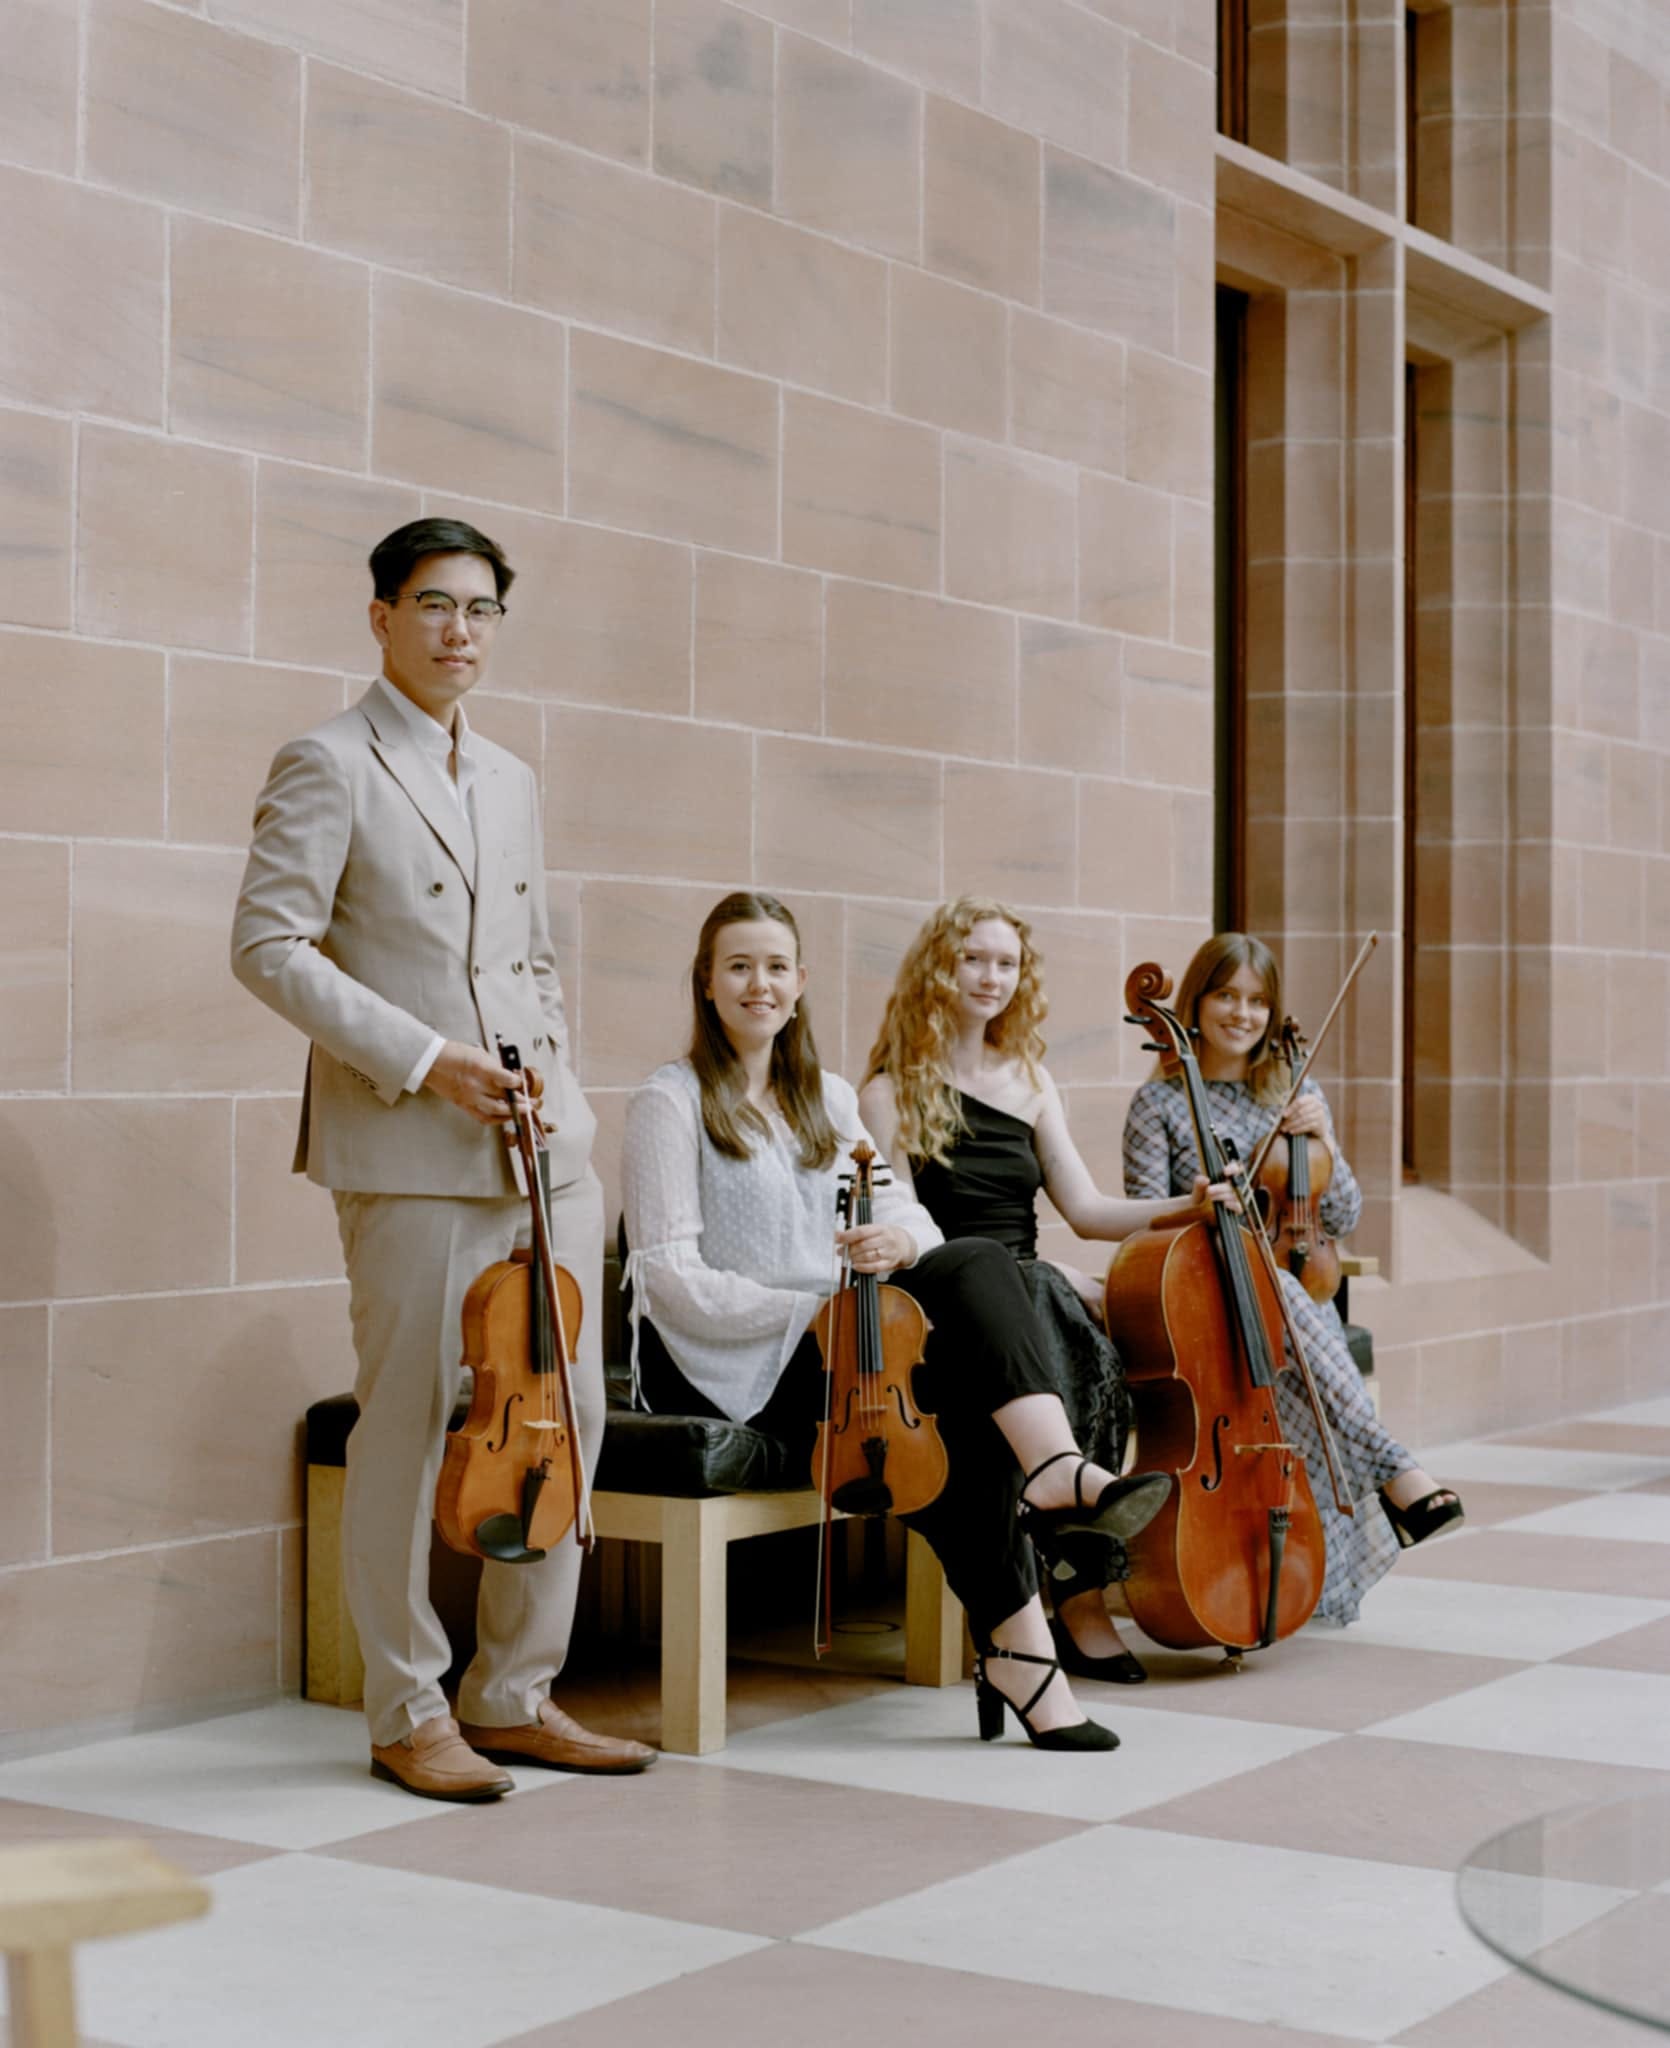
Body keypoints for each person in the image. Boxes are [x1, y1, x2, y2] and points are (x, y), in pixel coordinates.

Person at [231, 516, 653, 1801]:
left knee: (565, 1411)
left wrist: (559, 1086)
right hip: (411, 1145)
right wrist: (425, 1059)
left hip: (542, 1147)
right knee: (409, 1426)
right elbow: (268, 945)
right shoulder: (328, 759)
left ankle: (514, 1693)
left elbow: (530, 957)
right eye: (432, 603)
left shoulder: (511, 775)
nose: (457, 629)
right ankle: (406, 1707)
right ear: (381, 616)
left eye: (479, 608)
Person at [621, 891, 1173, 1752]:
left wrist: (897, 1240)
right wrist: (816, 1310)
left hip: (839, 1346)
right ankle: (1029, 1637)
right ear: (706, 981)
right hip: (730, 1360)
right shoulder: (671, 1100)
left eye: (775, 967)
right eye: (739, 966)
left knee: (975, 1293)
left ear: (801, 983)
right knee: (968, 1346)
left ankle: (1046, 1511)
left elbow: (910, 1214)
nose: (759, 984)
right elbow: (669, 1282)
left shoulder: (829, 1099)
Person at [859, 898, 1227, 1685]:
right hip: (947, 1299)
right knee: (1045, 1302)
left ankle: (1075, 1583)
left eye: (1007, 963)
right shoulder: (889, 1094)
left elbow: (1088, 1211)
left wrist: (1188, 1207)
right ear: (937, 968)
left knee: (1087, 1334)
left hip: (1029, 1294)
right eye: (972, 958)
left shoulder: (1030, 1082)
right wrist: (1041, 1279)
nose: (991, 977)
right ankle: (1078, 1601)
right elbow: (901, 1226)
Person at [1123, 932, 1464, 1624]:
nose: (1242, 1014)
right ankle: (1397, 1472)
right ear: (1197, 1002)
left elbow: (1342, 1216)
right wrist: (1195, 1204)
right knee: (1272, 1283)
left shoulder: (1295, 1095)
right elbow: (1142, 1225)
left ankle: (1311, 1550)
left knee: (1278, 1287)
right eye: (1226, 996)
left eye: (1257, 1002)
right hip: (1203, 1304)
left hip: (1288, 1312)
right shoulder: (1157, 1105)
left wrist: (1325, 1144)